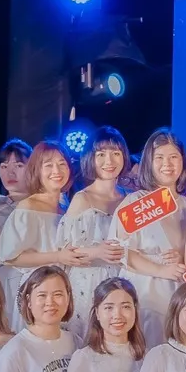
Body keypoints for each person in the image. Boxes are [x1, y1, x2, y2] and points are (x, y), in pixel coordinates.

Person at [120, 130, 186, 339]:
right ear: (149, 162)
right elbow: (121, 252)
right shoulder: (135, 201)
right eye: (160, 158)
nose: (167, 164)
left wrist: (183, 257)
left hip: (178, 293)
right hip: (144, 292)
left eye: (174, 157)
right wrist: (161, 270)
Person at [59, 127, 131, 325]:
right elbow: (65, 252)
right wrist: (97, 251)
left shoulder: (130, 198)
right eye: (101, 154)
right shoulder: (82, 199)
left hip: (123, 279)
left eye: (116, 153)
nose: (109, 161)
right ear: (90, 158)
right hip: (88, 282)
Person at [0, 141, 75, 315]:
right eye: (48, 165)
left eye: (62, 164)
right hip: (35, 294)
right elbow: (10, 257)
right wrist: (58, 256)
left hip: (62, 291)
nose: (56, 170)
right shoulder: (28, 207)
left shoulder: (66, 209)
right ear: (36, 170)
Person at [63, 276, 146, 372]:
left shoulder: (147, 356)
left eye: (126, 307)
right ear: (97, 313)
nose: (117, 315)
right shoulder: (85, 357)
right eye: (109, 307)